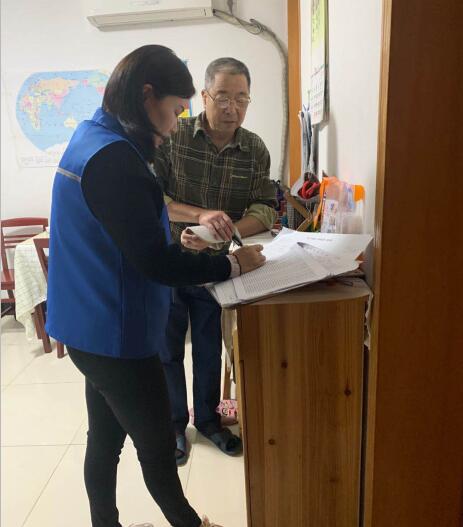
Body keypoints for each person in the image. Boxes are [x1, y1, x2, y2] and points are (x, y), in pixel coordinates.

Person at [45, 45, 265, 527]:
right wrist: (233, 265)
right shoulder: (115, 161)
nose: (173, 126)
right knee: (158, 446)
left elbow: (113, 235)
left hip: (88, 321)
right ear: (147, 96)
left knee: (105, 440)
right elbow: (157, 263)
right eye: (175, 110)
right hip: (115, 332)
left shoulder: (92, 136)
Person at [154, 58, 277, 465]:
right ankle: (174, 424)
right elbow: (155, 199)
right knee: (167, 351)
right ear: (204, 96)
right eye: (223, 97)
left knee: (208, 350)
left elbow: (266, 207)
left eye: (242, 99)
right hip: (170, 261)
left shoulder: (255, 149)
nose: (232, 108)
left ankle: (208, 420)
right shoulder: (175, 137)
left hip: (219, 269)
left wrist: (227, 231)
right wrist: (199, 217)